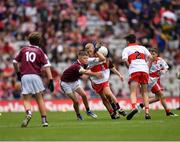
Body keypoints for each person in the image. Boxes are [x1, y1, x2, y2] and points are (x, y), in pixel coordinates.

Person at [13, 32, 54, 127]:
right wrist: (51, 79)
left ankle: (29, 113)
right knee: (39, 98)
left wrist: (18, 72)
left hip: (25, 76)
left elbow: (15, 62)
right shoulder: (40, 51)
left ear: (29, 40)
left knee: (26, 99)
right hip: (36, 76)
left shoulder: (23, 50)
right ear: (39, 41)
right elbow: (47, 66)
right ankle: (44, 121)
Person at [85, 43, 126, 119]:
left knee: (108, 93)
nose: (89, 53)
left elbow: (112, 68)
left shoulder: (106, 60)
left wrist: (119, 74)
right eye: (87, 52)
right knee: (104, 98)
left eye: (90, 51)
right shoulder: (89, 60)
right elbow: (85, 72)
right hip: (95, 82)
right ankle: (112, 113)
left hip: (104, 80)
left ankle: (119, 108)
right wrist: (94, 74)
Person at [60, 50, 101, 120]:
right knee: (76, 101)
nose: (86, 60)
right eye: (84, 58)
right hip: (66, 83)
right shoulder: (76, 65)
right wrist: (95, 74)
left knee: (84, 95)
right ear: (79, 58)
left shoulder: (84, 63)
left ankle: (88, 111)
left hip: (74, 81)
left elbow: (85, 75)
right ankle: (78, 115)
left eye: (87, 58)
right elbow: (84, 72)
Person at [138, 47, 178, 116]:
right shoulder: (148, 62)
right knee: (161, 95)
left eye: (153, 54)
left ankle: (141, 105)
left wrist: (162, 71)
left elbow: (166, 68)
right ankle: (168, 112)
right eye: (150, 54)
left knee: (157, 98)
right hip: (151, 80)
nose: (152, 55)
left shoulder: (160, 60)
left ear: (157, 54)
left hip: (157, 80)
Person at [122, 34, 152, 120]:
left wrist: (129, 66)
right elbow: (150, 57)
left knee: (133, 92)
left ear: (128, 41)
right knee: (145, 93)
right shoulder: (142, 48)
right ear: (135, 40)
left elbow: (125, 60)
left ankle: (134, 107)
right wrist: (147, 66)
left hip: (135, 70)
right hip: (144, 70)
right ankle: (147, 112)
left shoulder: (126, 49)